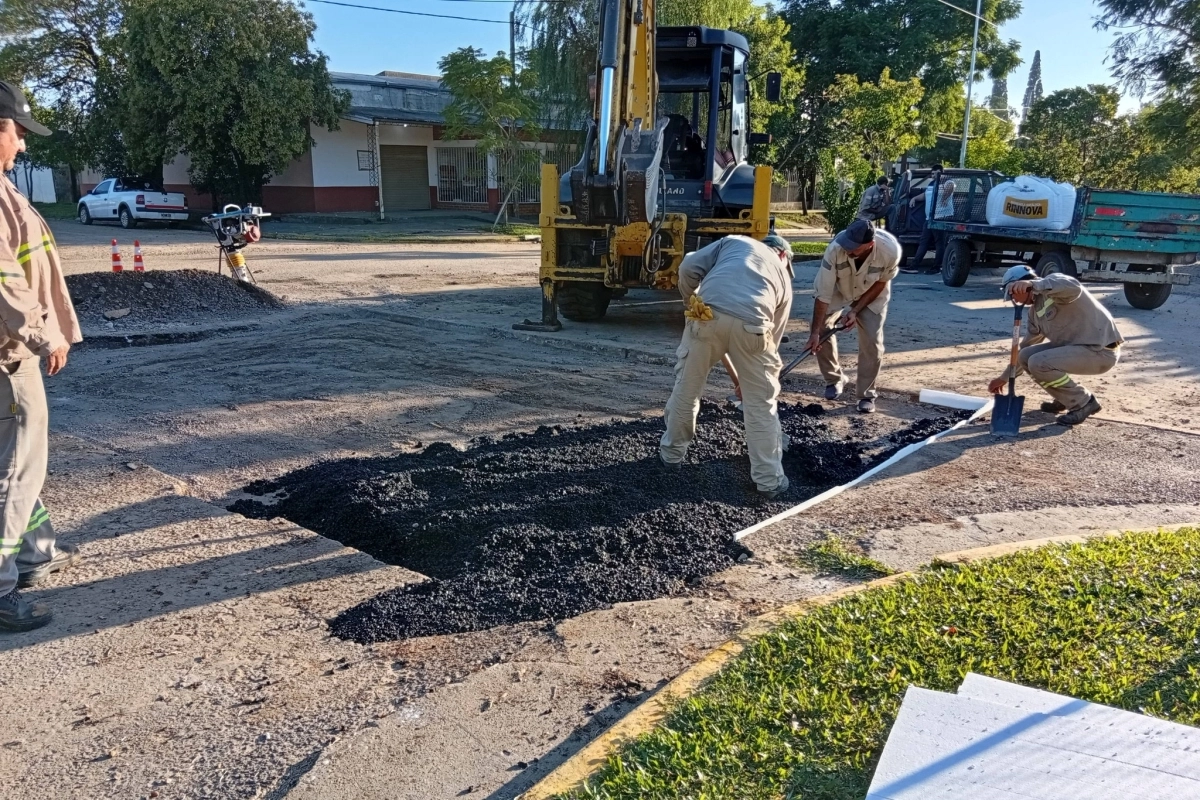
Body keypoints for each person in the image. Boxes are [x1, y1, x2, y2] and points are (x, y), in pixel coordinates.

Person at [0, 81, 83, 632]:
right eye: (19, 132)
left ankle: (36, 554)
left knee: (23, 463)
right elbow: (5, 283)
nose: (25, 146)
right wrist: (42, 335)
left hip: (12, 351)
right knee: (14, 470)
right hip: (9, 357)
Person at [660, 234, 794, 499]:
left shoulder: (735, 242)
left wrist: (690, 302)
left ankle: (671, 456)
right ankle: (769, 481)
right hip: (754, 327)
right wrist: (754, 380)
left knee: (687, 390)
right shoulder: (783, 279)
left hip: (706, 316)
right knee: (760, 406)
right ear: (783, 255)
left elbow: (687, 266)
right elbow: (773, 338)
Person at [988, 264, 1123, 426]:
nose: (1014, 300)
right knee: (1026, 356)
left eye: (1013, 294)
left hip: (1101, 351)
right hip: (1078, 350)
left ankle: (1083, 402)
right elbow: (1025, 348)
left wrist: (1034, 285)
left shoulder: (1053, 284)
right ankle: (1065, 398)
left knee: (1039, 363)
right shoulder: (1034, 313)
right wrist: (1004, 378)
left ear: (1020, 287)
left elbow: (1073, 286)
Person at [810, 219, 902, 414]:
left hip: (871, 293)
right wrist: (814, 333)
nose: (846, 248)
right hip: (839, 287)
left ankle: (866, 394)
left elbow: (881, 283)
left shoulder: (890, 251)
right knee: (822, 329)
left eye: (853, 247)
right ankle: (834, 380)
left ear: (870, 245)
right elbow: (823, 294)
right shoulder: (835, 249)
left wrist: (855, 310)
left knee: (872, 341)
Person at [901, 165, 957, 274]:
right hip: (929, 218)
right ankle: (914, 266)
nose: (933, 175)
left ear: (941, 173)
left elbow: (951, 187)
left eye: (935, 173)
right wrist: (914, 198)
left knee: (939, 243)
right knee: (923, 242)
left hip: (941, 218)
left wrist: (945, 197)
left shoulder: (947, 181)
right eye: (932, 174)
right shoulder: (931, 184)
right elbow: (925, 195)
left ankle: (937, 267)